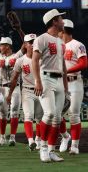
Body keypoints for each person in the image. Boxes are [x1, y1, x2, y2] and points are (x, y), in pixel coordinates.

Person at [32, 9, 69, 163]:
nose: (63, 21)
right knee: (49, 113)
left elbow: (63, 65)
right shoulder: (42, 39)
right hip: (45, 77)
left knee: (58, 117)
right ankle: (43, 148)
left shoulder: (61, 42)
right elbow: (34, 60)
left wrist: (66, 85)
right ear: (54, 21)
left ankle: (52, 150)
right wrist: (38, 81)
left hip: (59, 79)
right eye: (60, 18)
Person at [7, 33, 43, 152]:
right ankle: (31, 141)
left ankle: (38, 139)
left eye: (34, 42)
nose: (33, 45)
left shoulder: (41, 58)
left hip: (41, 91)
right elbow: (14, 79)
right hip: (27, 91)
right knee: (28, 116)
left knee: (39, 118)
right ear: (25, 45)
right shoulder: (20, 60)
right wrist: (10, 94)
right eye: (30, 42)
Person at [58, 19, 87, 155]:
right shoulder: (57, 45)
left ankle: (74, 146)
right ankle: (65, 137)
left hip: (74, 82)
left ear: (63, 31)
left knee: (74, 115)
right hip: (59, 82)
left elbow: (84, 63)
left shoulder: (77, 44)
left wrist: (66, 71)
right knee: (56, 115)